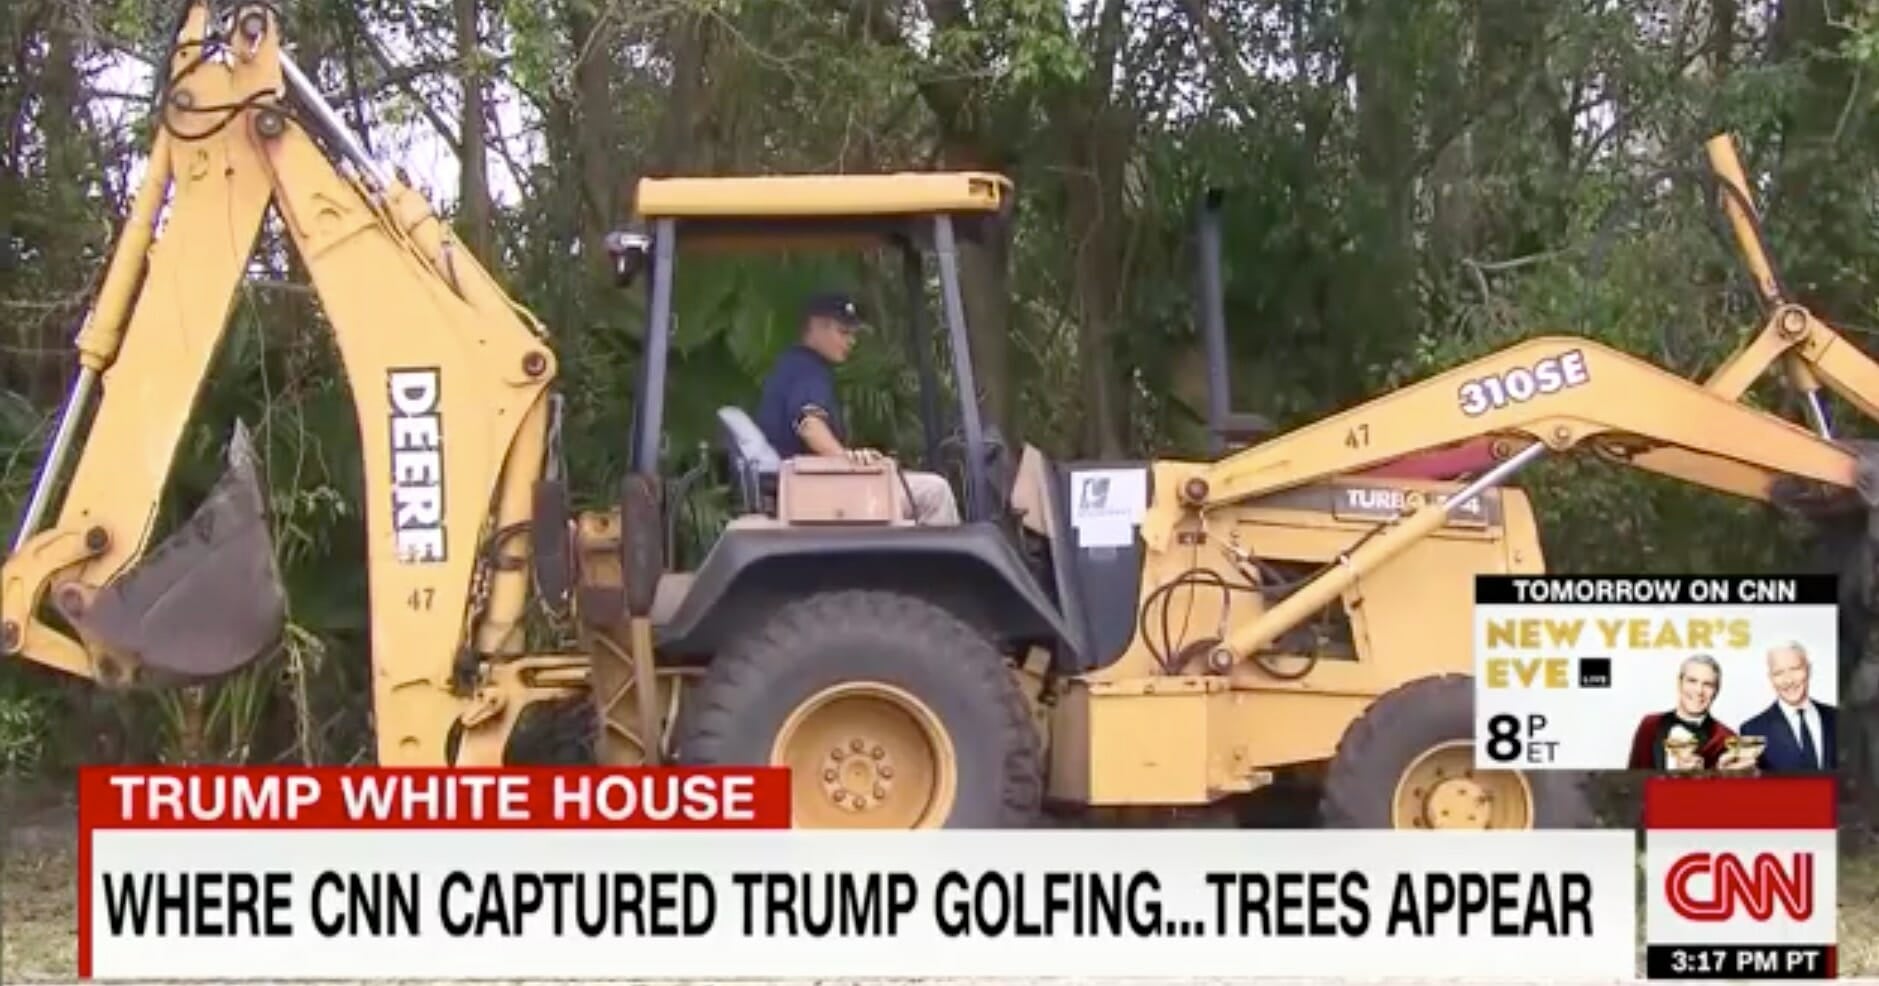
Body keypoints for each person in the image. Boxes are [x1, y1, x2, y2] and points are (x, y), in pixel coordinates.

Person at [754, 291, 961, 525]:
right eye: (843, 332)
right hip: (815, 491)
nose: (851, 341)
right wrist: (845, 462)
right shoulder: (807, 370)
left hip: (808, 486)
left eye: (852, 334)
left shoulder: (790, 366)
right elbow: (809, 424)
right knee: (935, 491)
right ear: (816, 328)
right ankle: (942, 563)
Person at [1626, 654, 1754, 771]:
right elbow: (1630, 781)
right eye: (1692, 681)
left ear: (1716, 691)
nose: (1699, 690)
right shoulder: (1649, 724)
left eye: (1708, 684)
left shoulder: (1727, 738)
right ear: (1679, 682)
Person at [1738, 641, 1837, 773]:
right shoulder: (1751, 730)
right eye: (1778, 673)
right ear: (1771, 678)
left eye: (1795, 669)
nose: (1788, 681)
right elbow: (1747, 786)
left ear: (1809, 669)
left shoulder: (1839, 718)